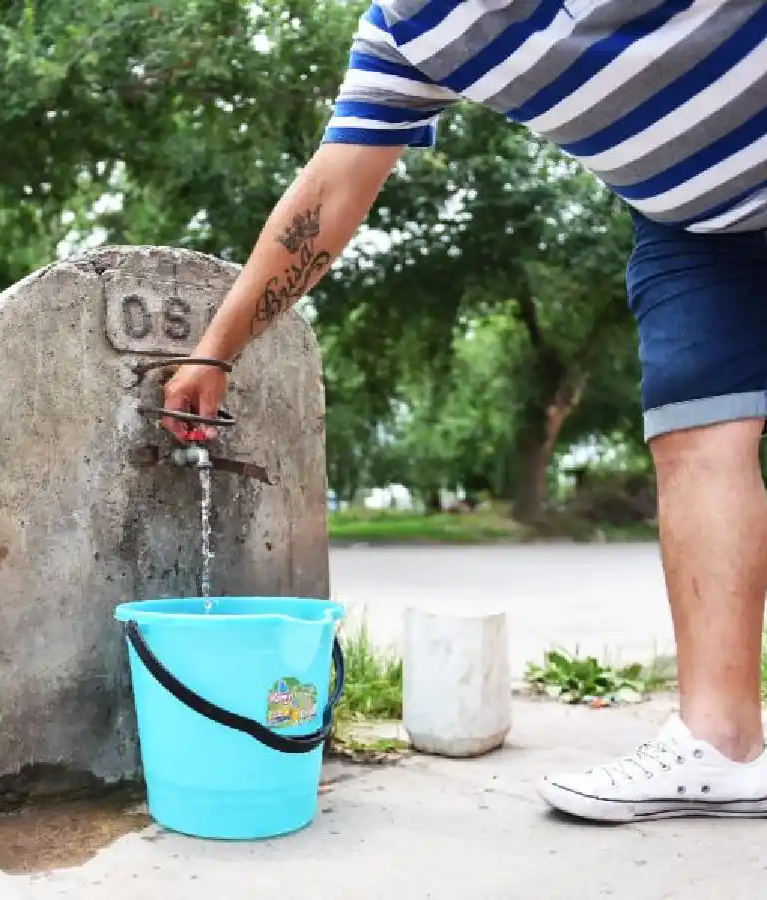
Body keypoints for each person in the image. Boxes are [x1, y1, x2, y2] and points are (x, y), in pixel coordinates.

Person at [160, 0, 767, 823]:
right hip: (693, 230)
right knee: (693, 440)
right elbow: (329, 194)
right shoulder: (407, 31)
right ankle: (718, 744)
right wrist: (216, 349)